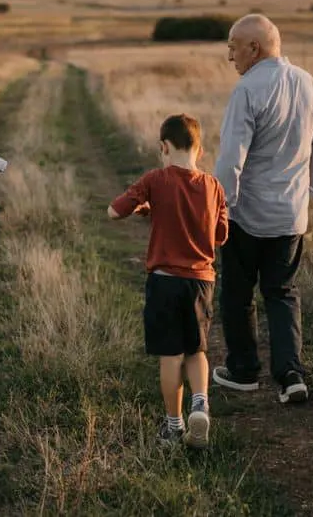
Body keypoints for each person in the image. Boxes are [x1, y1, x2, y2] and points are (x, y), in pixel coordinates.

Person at [212, 14, 313, 404]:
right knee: (282, 293)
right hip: (290, 216)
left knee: (236, 292)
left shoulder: (247, 89)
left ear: (254, 48)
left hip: (246, 214)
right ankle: (290, 375)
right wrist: (310, 186)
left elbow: (232, 156)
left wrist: (221, 206)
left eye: (233, 47)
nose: (230, 56)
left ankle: (245, 371)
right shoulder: (306, 81)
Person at [108, 114, 228, 448]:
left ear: (163, 147)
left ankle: (174, 426)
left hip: (164, 282)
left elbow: (115, 211)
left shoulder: (155, 180)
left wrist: (144, 206)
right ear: (200, 150)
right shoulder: (214, 187)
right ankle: (200, 404)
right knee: (197, 349)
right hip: (202, 282)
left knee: (170, 355)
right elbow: (220, 235)